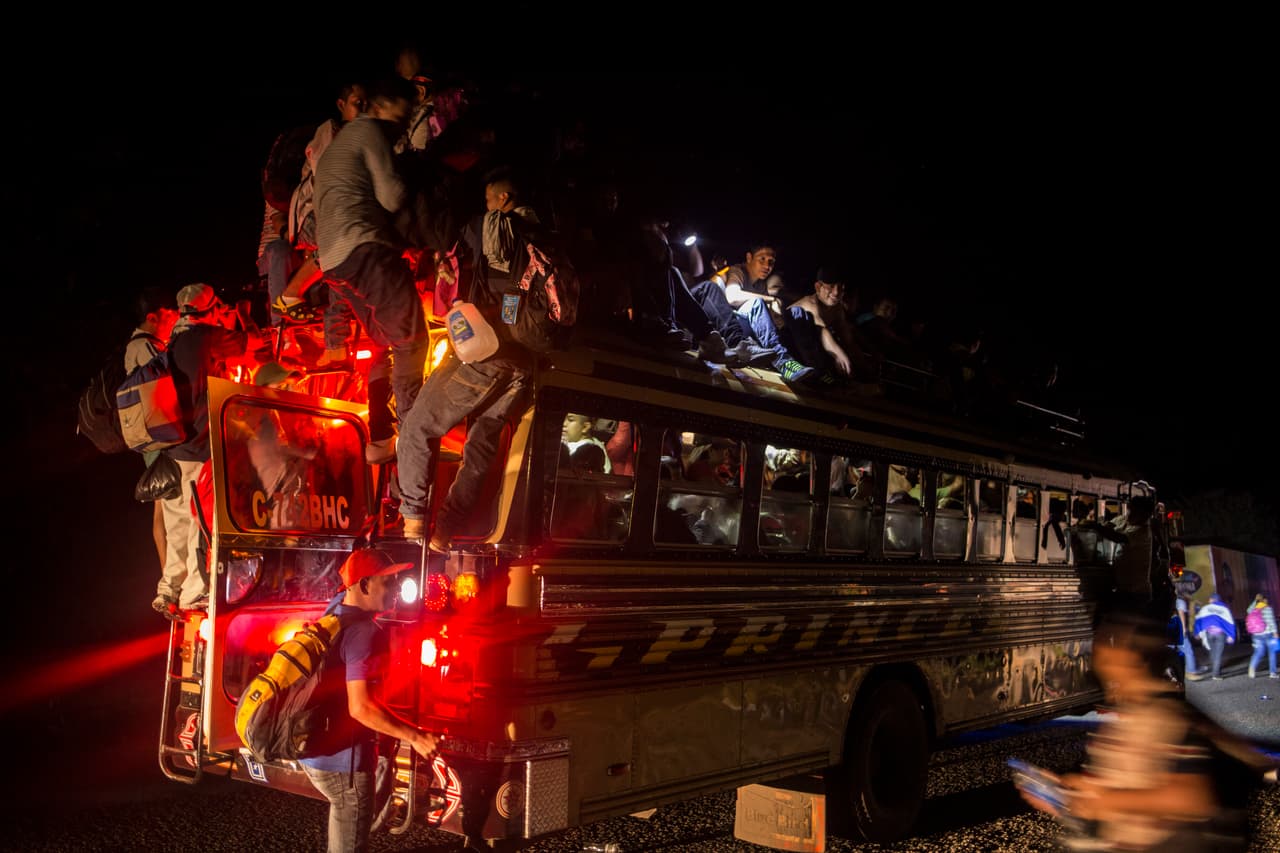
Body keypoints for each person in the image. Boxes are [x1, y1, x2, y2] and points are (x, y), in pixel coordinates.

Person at [1019, 613, 1225, 851]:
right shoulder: (1128, 716)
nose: (1098, 661)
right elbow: (1119, 782)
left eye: (1109, 650)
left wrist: (1107, 801)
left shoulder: (1166, 717)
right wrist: (1065, 793)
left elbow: (1190, 798)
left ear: (1135, 658)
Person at [314, 76, 429, 463]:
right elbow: (392, 196)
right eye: (403, 111)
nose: (406, 119)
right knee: (413, 340)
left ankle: (379, 438)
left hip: (332, 260)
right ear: (379, 108)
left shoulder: (338, 145)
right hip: (363, 246)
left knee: (384, 342)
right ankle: (413, 434)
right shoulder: (370, 130)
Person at [300, 547, 440, 853]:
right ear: (364, 585)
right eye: (388, 583)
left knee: (363, 815)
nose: (396, 590)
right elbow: (360, 707)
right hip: (343, 764)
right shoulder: (363, 633)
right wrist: (414, 736)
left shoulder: (336, 609)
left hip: (315, 752)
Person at [154, 283, 255, 615]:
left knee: (177, 525)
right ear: (210, 310)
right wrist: (237, 316)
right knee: (201, 523)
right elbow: (248, 345)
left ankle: (168, 590)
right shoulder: (206, 337)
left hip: (173, 450)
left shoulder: (173, 341)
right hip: (199, 450)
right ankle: (193, 593)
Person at [1193, 593, 1237, 680]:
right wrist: (1231, 635)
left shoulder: (1205, 608)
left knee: (1212, 652)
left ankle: (1215, 670)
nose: (1208, 600)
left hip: (1209, 633)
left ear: (1212, 599)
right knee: (1218, 654)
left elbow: (1198, 620)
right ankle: (1216, 674)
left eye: (1209, 599)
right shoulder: (1224, 609)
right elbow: (1230, 622)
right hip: (1220, 634)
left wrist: (1197, 632)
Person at [1245, 593, 1278, 679]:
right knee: (1272, 652)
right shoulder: (1267, 608)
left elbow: (1248, 610)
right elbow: (1271, 621)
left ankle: (1252, 667)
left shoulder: (1253, 609)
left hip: (1256, 635)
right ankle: (1272, 673)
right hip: (1268, 634)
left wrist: (1255, 600)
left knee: (1258, 652)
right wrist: (1275, 632)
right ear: (1265, 600)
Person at [1176, 595, 1202, 679]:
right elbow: (1181, 614)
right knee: (1188, 651)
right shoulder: (1180, 601)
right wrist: (1183, 628)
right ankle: (1190, 672)